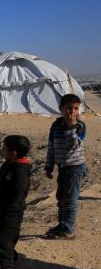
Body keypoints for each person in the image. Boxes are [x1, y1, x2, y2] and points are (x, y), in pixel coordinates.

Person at [0, 135, 31, 269]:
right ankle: (11, 255)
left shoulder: (20, 172)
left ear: (14, 153)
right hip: (4, 207)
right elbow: (0, 184)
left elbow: (17, 194)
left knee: (4, 237)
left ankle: (6, 266)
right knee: (5, 235)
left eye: (4, 148)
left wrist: (2, 203)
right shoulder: (9, 164)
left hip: (12, 211)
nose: (2, 151)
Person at [45, 94, 87, 239]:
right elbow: (51, 146)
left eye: (76, 108)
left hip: (75, 168)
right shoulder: (55, 125)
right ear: (61, 109)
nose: (72, 112)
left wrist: (71, 126)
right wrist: (49, 166)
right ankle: (62, 225)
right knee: (61, 198)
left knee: (70, 199)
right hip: (63, 168)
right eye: (69, 108)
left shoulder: (80, 126)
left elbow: (74, 146)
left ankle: (68, 229)